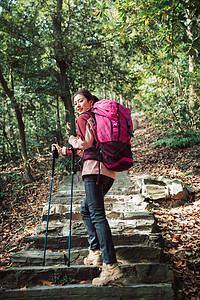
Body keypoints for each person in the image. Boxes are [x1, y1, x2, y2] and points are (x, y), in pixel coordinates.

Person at [52, 90, 123, 286]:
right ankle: (95, 252)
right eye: (75, 103)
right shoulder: (99, 118)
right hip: (109, 172)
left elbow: (86, 143)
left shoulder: (85, 117)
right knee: (85, 209)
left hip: (94, 171)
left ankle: (111, 267)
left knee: (98, 215)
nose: (77, 105)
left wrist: (72, 139)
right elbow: (90, 146)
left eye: (80, 101)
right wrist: (66, 151)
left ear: (90, 101)